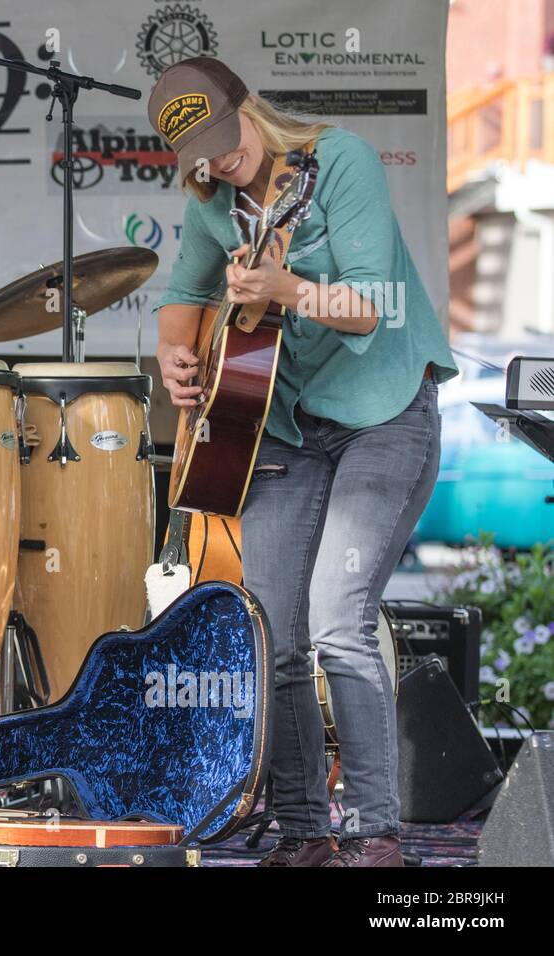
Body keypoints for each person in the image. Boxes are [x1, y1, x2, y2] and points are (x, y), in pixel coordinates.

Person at [149, 58, 457, 866]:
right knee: (270, 632)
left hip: (383, 409)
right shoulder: (214, 208)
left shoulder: (340, 160)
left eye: (224, 138)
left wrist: (286, 287)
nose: (220, 162)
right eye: (200, 157)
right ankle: (304, 832)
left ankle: (377, 832)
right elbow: (181, 303)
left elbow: (363, 309)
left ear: (248, 107)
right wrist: (175, 356)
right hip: (281, 426)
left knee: (337, 619)